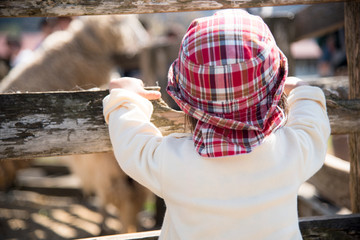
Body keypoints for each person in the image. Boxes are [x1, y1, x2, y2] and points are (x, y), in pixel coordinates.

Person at [103, 9, 330, 240]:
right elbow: (313, 126)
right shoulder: (292, 152)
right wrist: (303, 91)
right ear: (275, 91)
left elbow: (132, 145)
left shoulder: (171, 162)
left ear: (186, 101)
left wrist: (125, 98)